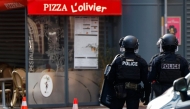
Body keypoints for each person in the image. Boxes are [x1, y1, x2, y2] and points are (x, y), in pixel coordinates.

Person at [107, 35, 151, 109]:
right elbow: (146, 81)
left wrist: (110, 94)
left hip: (119, 91)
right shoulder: (141, 61)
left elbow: (110, 79)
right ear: (136, 46)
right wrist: (146, 97)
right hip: (134, 92)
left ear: (123, 46)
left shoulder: (117, 60)